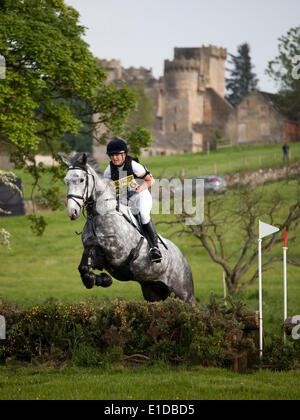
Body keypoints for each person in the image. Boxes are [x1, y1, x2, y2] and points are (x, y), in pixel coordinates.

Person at [104, 138, 162, 263]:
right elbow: (107, 190)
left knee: (143, 215)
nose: (114, 158)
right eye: (112, 155)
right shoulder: (108, 171)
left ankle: (155, 248)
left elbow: (150, 180)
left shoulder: (134, 166)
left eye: (117, 155)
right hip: (124, 200)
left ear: (124, 154)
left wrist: (138, 189)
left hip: (141, 196)